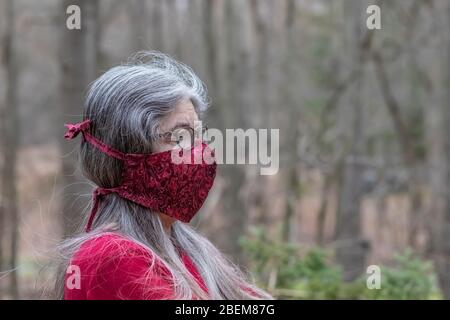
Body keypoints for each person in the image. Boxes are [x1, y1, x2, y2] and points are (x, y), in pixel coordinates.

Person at [55, 51, 273, 300]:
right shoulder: (110, 258)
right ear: (128, 152)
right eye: (180, 136)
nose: (200, 152)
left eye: (198, 135)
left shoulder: (190, 249)